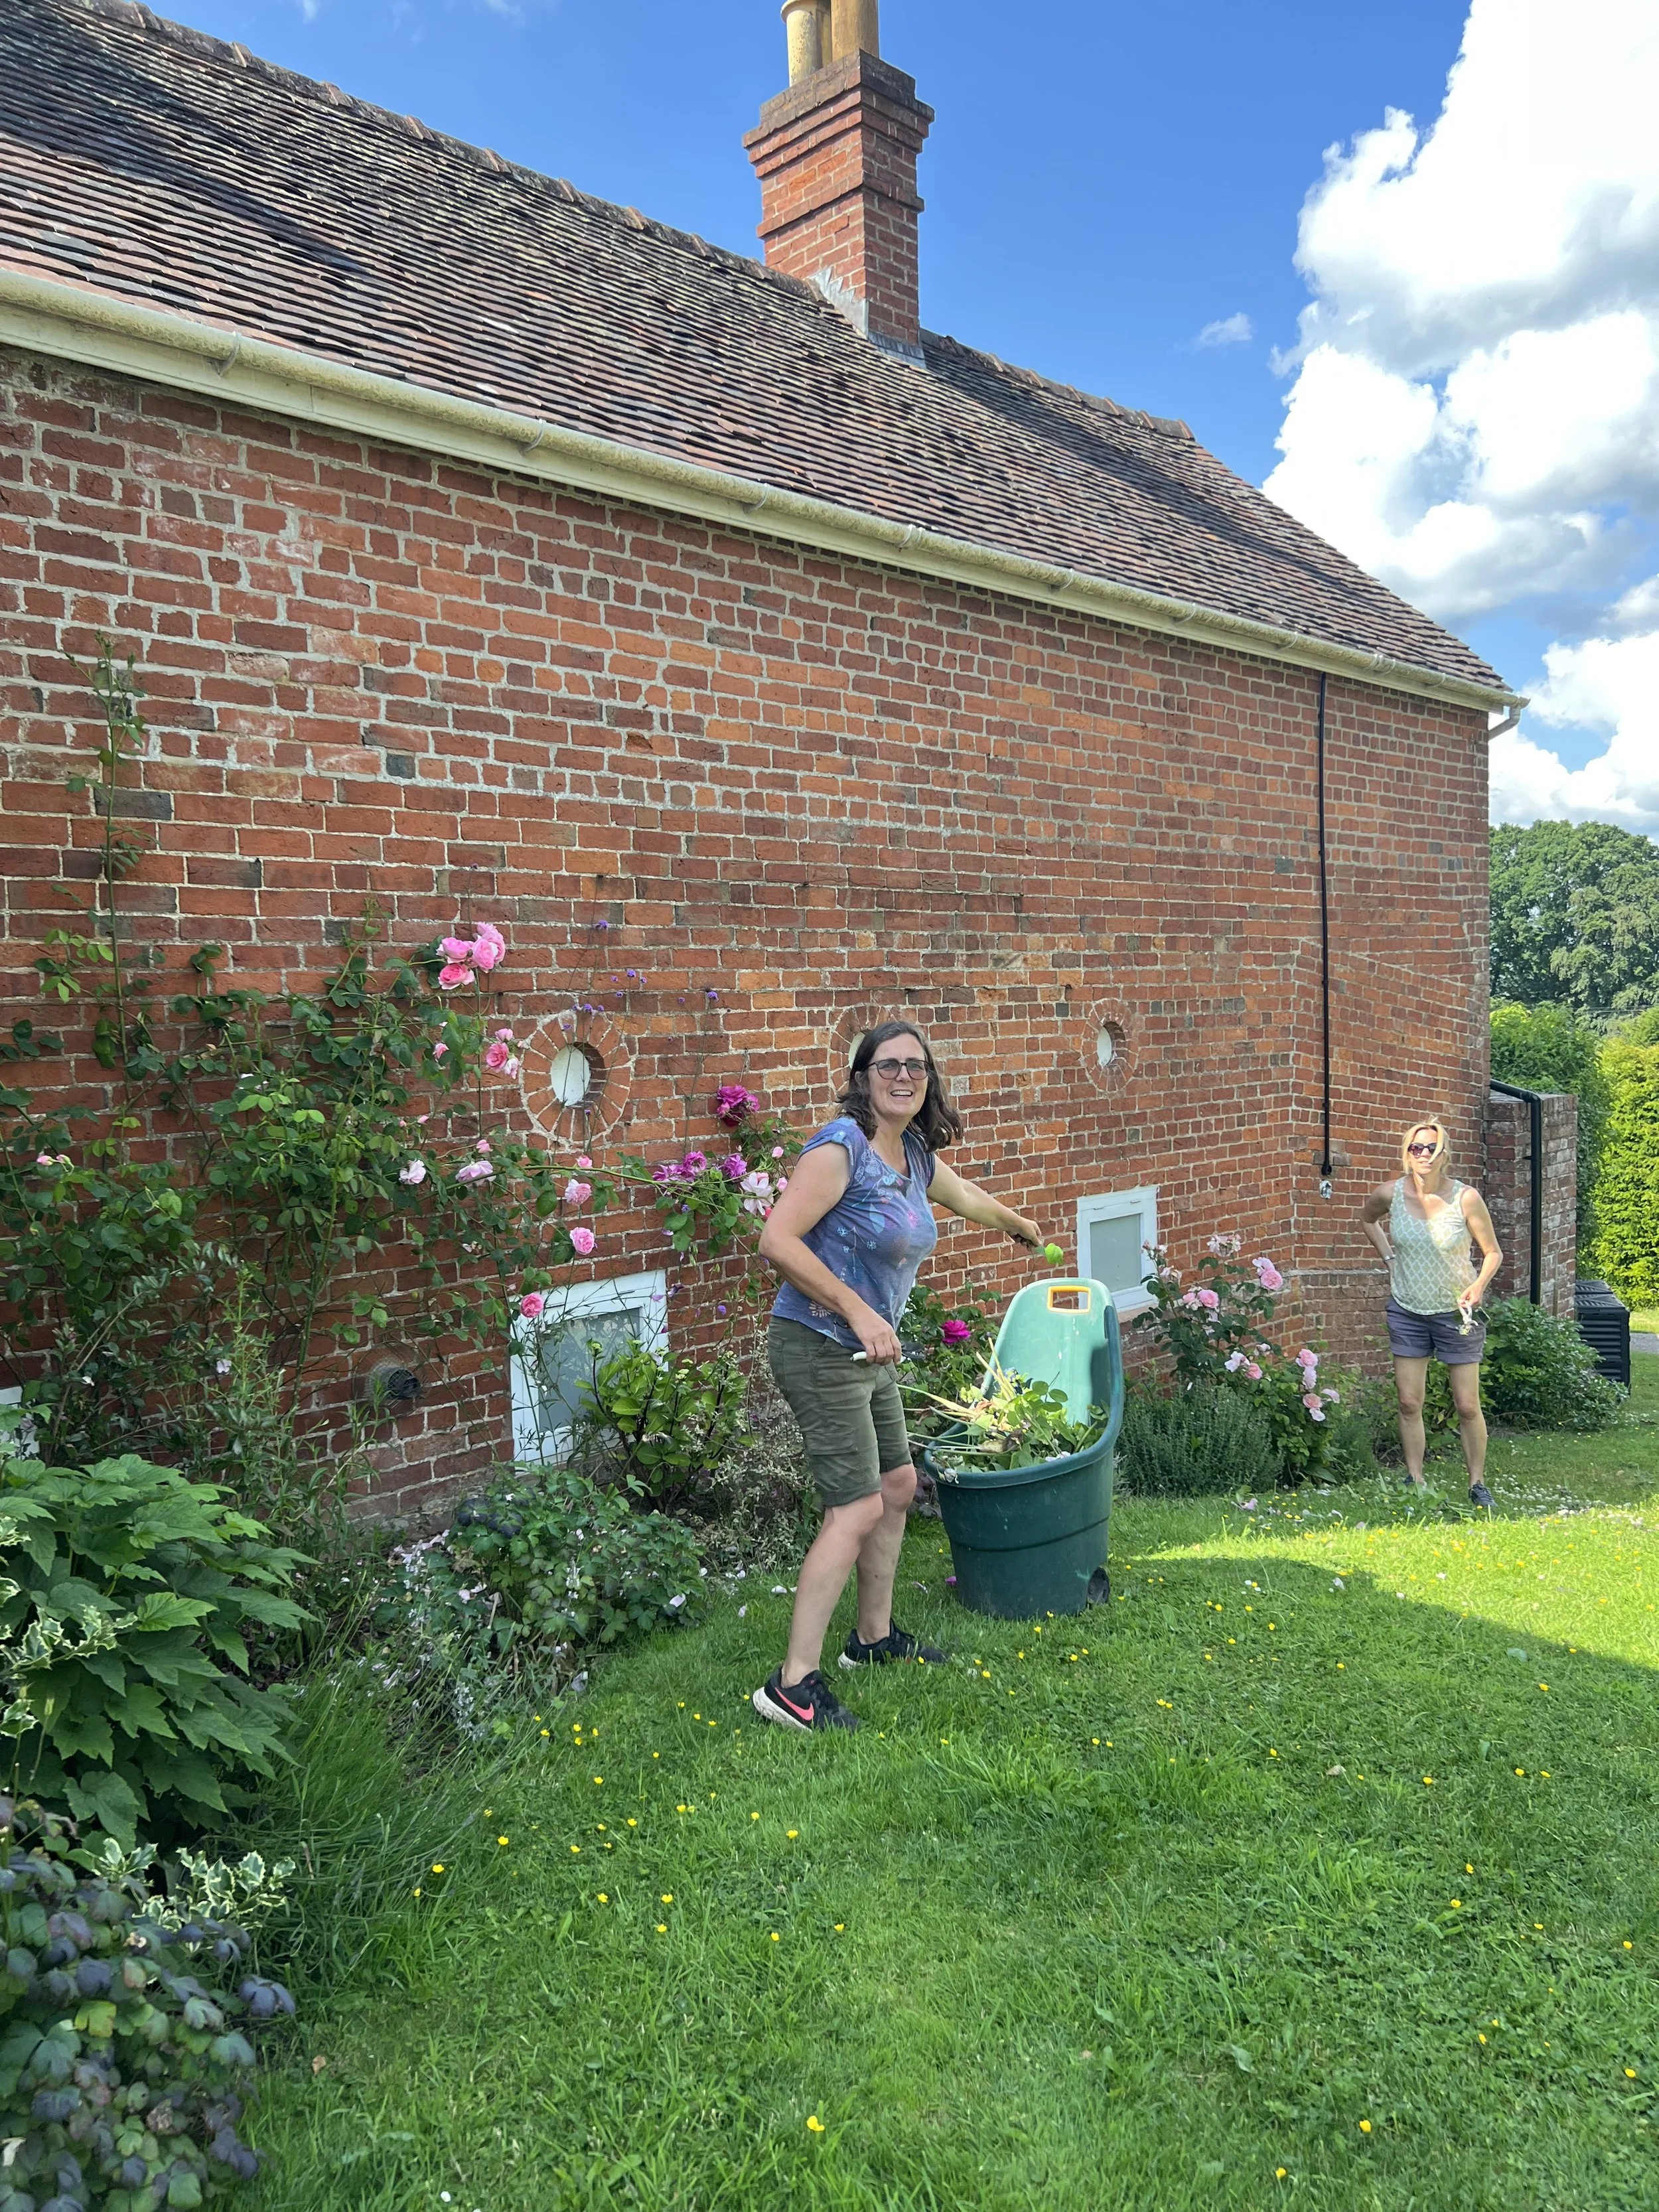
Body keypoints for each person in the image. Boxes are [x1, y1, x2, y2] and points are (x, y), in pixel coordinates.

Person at [751, 1021, 1048, 1732]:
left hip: (866, 1348)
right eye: (888, 1065)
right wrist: (856, 1310)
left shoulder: (913, 1152)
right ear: (863, 1076)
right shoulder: (839, 1149)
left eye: (916, 1066)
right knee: (853, 1508)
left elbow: (963, 1195)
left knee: (896, 1486)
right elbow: (775, 1239)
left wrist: (1017, 1224)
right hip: (819, 1343)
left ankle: (872, 1640)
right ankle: (791, 1686)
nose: (903, 1076)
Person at [1360, 1118, 1504, 1509]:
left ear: (1444, 1154)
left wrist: (1477, 1287)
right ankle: (1415, 1479)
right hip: (1407, 1308)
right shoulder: (1390, 1194)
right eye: (1416, 1148)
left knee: (1467, 1404)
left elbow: (1493, 1252)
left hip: (1457, 1314)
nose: (1423, 1154)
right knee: (1409, 1401)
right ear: (1407, 1153)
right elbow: (1367, 1219)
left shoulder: (1465, 1198)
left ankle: (1477, 1484)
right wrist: (1389, 1258)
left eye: (1431, 1148)